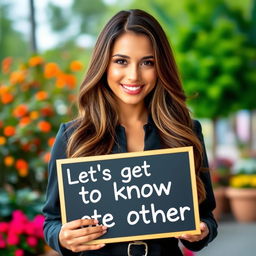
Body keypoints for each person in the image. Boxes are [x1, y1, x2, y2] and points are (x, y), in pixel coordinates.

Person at [43, 9, 217, 256]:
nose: (134, 75)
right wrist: (62, 237)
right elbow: (52, 220)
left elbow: (206, 217)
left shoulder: (185, 131)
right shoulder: (74, 136)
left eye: (148, 62)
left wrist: (201, 232)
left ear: (161, 67)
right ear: (104, 64)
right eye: (121, 61)